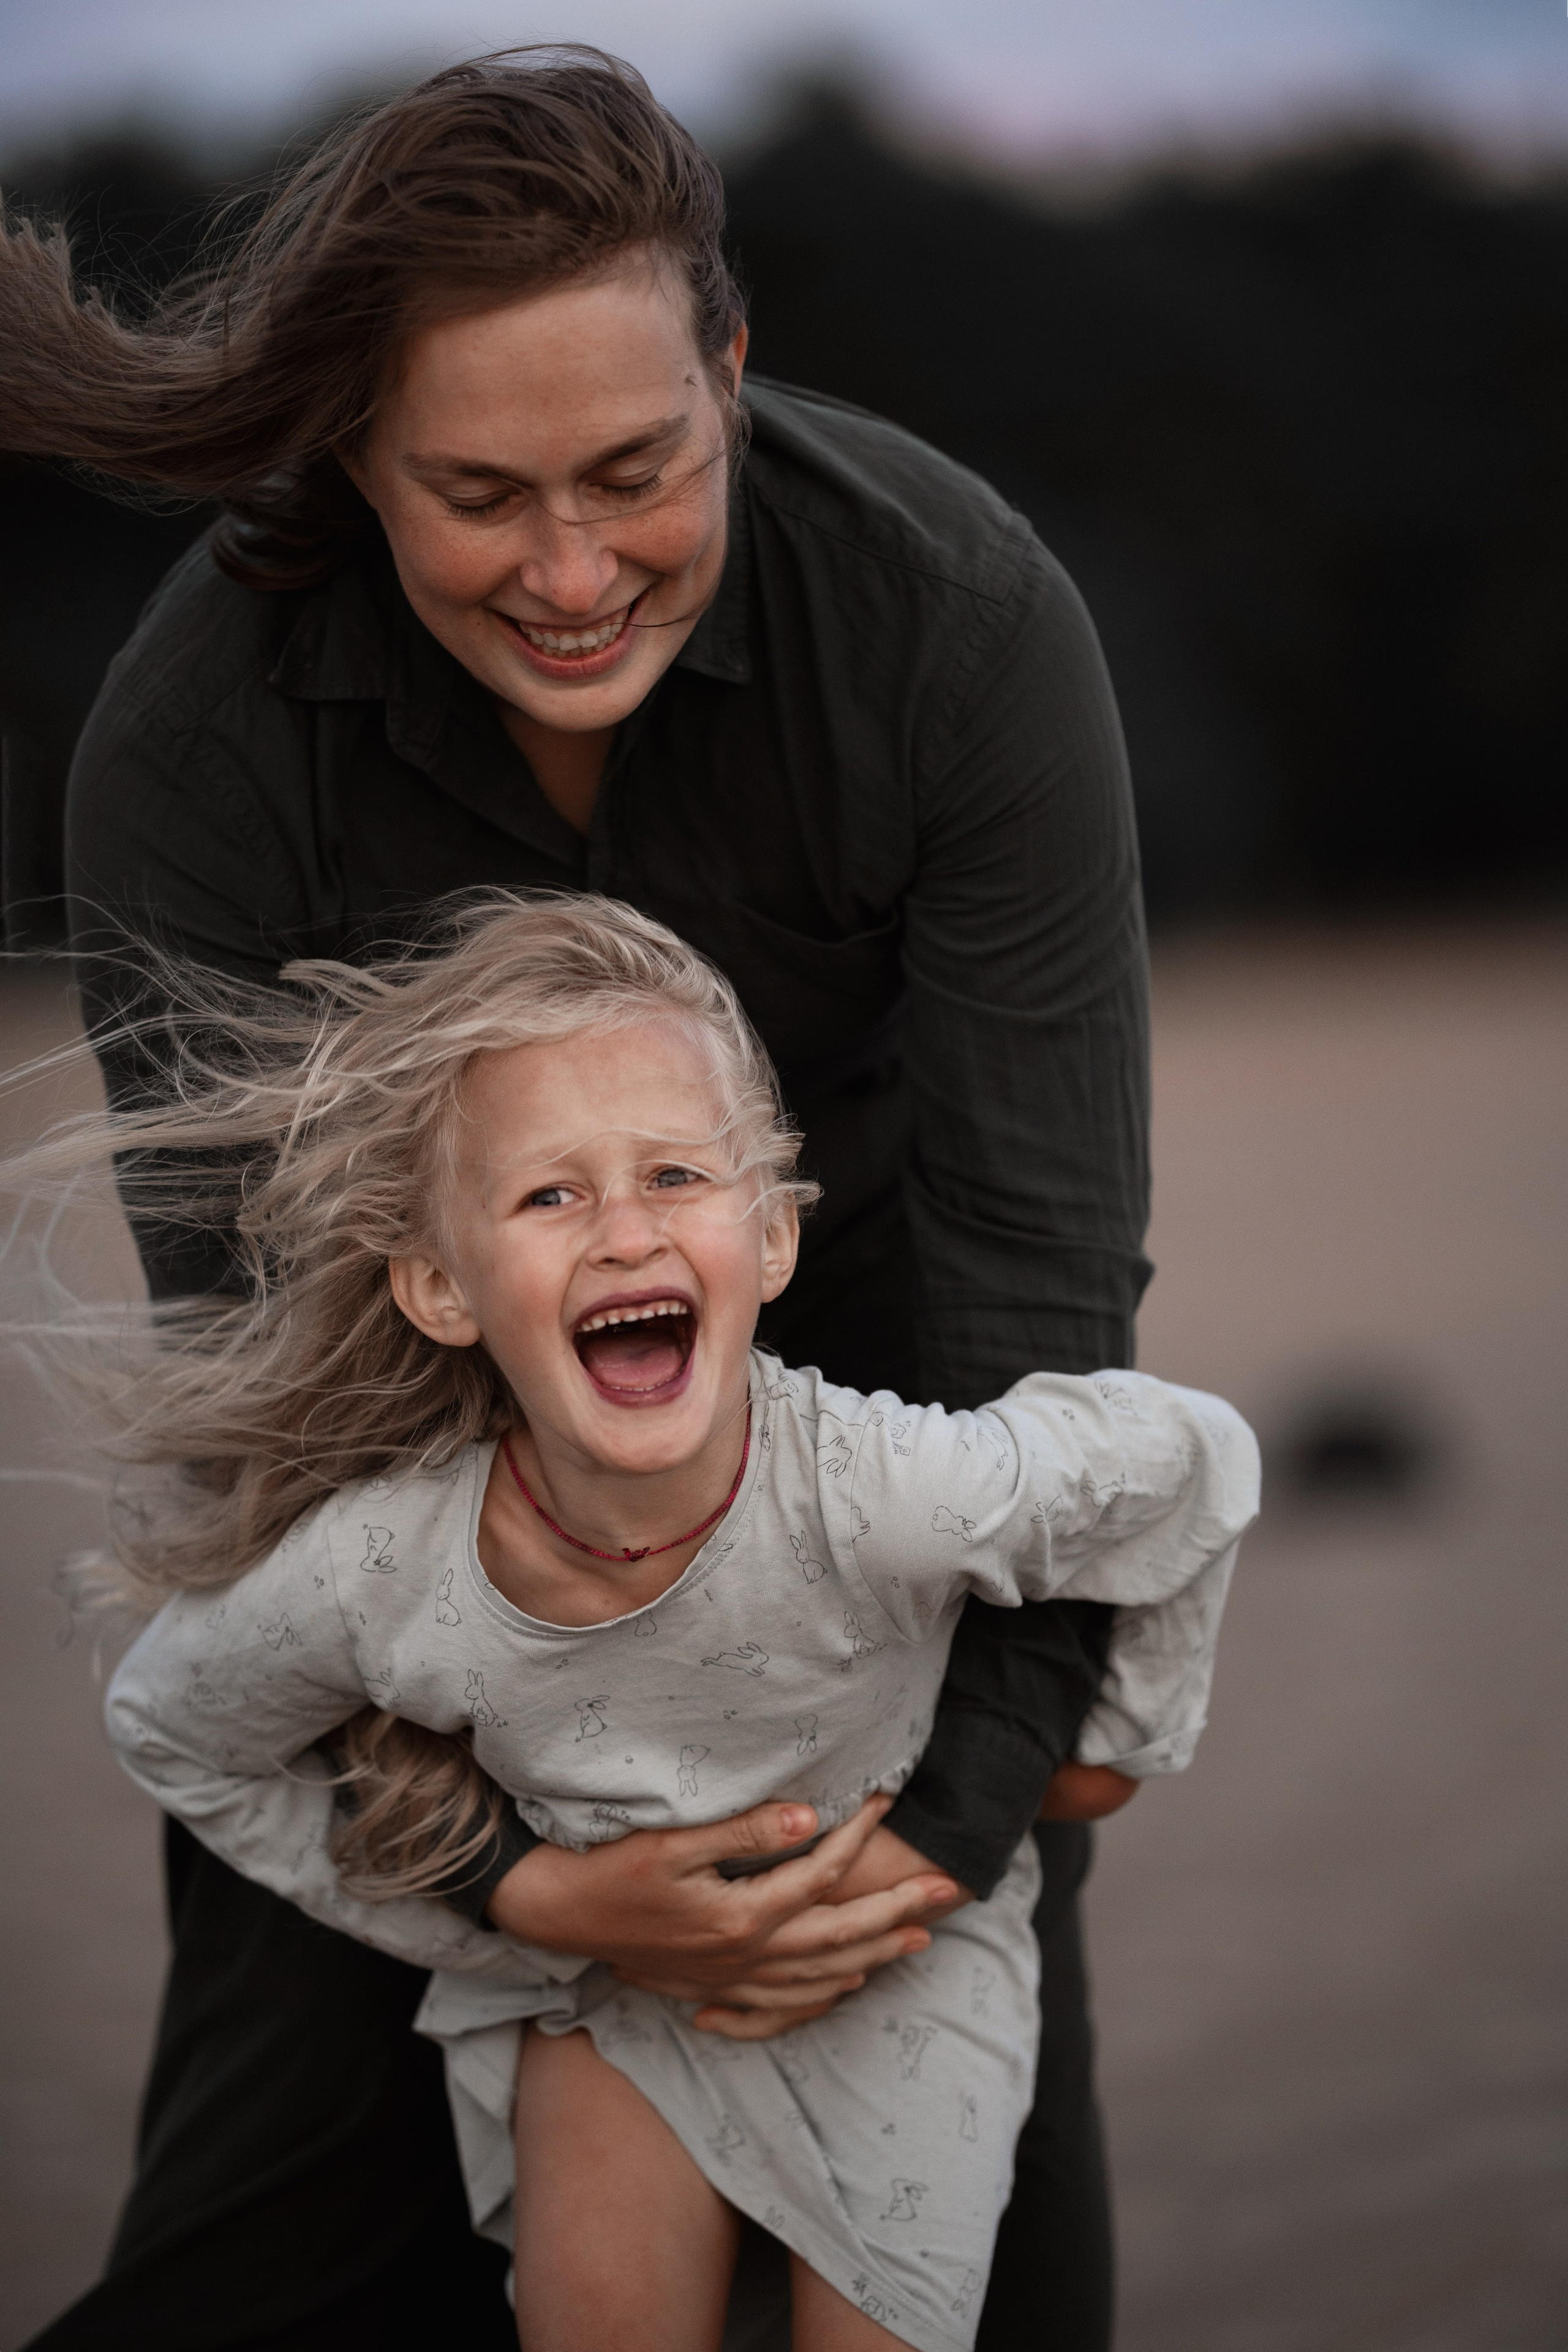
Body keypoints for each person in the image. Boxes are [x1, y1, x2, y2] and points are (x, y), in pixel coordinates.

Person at [2, 47, 1155, 2352]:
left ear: (730, 367)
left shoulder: (955, 626)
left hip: (888, 1500)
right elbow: (288, 1421)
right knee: (275, 2244)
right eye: (478, 492)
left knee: (974, 2268)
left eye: (635, 469)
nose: (568, 568)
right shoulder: (205, 749)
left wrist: (931, 1843)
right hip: (417, 1561)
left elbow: (1050, 1328)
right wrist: (535, 1881)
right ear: (354, 453)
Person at [55, 892, 1255, 2352]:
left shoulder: (890, 1491)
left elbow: (1195, 1462)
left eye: (675, 1175)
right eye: (550, 1195)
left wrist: (1110, 1752)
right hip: (607, 1996)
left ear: (769, 1241)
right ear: (440, 1289)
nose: (624, 1233)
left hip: (894, 1975)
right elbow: (176, 1730)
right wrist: (520, 1908)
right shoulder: (380, 1568)